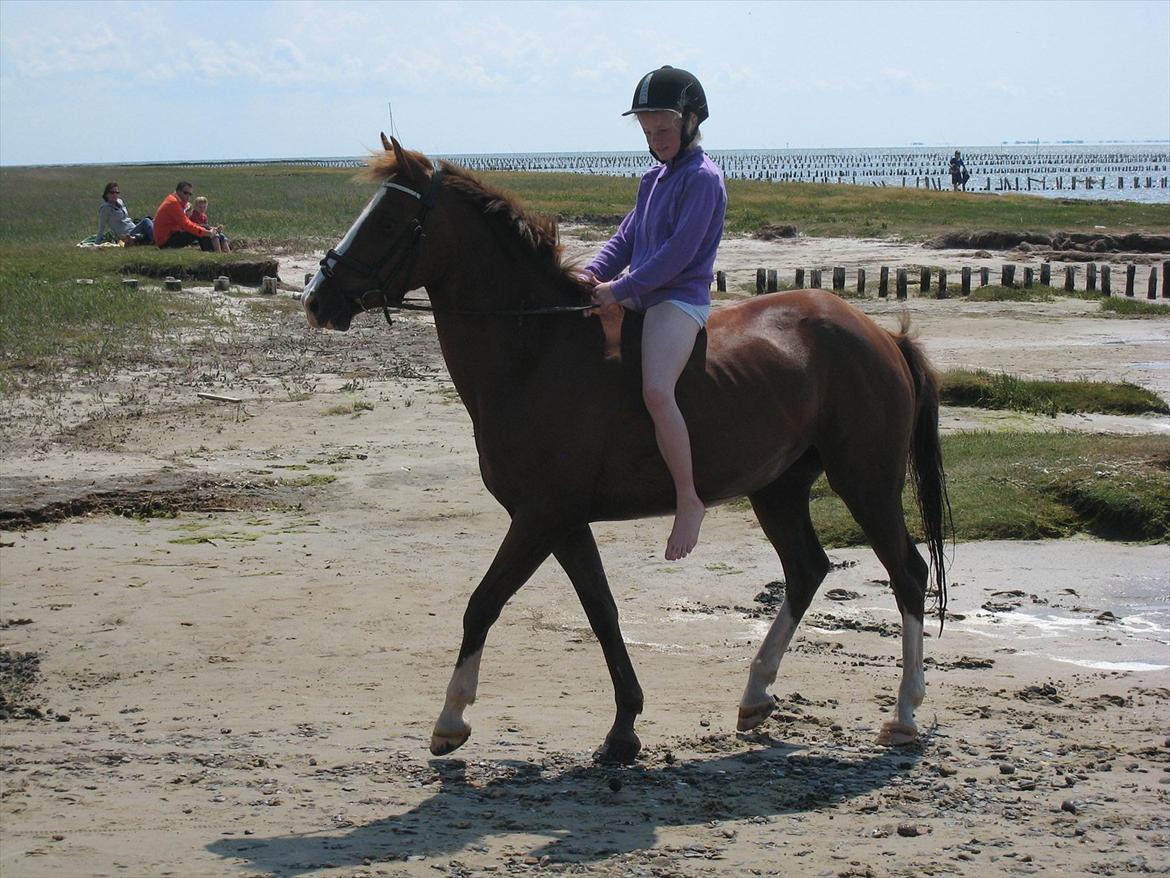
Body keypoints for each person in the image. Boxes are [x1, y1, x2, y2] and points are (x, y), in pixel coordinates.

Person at [581, 66, 727, 561]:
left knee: (656, 389)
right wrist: (590, 275)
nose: (655, 140)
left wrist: (619, 289)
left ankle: (688, 498)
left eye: (662, 130)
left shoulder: (703, 180)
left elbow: (677, 255)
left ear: (689, 122)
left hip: (678, 299)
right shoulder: (654, 178)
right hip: (642, 291)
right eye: (647, 133)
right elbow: (627, 237)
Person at [153, 181, 223, 251]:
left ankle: (213, 253)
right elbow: (186, 225)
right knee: (201, 232)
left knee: (203, 229)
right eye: (185, 193)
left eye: (190, 194)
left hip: (168, 237)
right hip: (165, 241)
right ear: (178, 191)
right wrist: (206, 233)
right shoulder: (173, 203)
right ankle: (211, 254)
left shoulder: (174, 200)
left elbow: (187, 223)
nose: (188, 196)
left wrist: (206, 230)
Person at [96, 182, 153, 246]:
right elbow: (101, 227)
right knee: (146, 221)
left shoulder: (120, 202)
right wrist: (96, 243)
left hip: (133, 227)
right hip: (126, 233)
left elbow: (126, 218)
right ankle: (156, 240)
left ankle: (139, 239)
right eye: (112, 192)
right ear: (107, 194)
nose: (115, 195)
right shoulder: (105, 209)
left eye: (117, 192)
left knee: (154, 221)